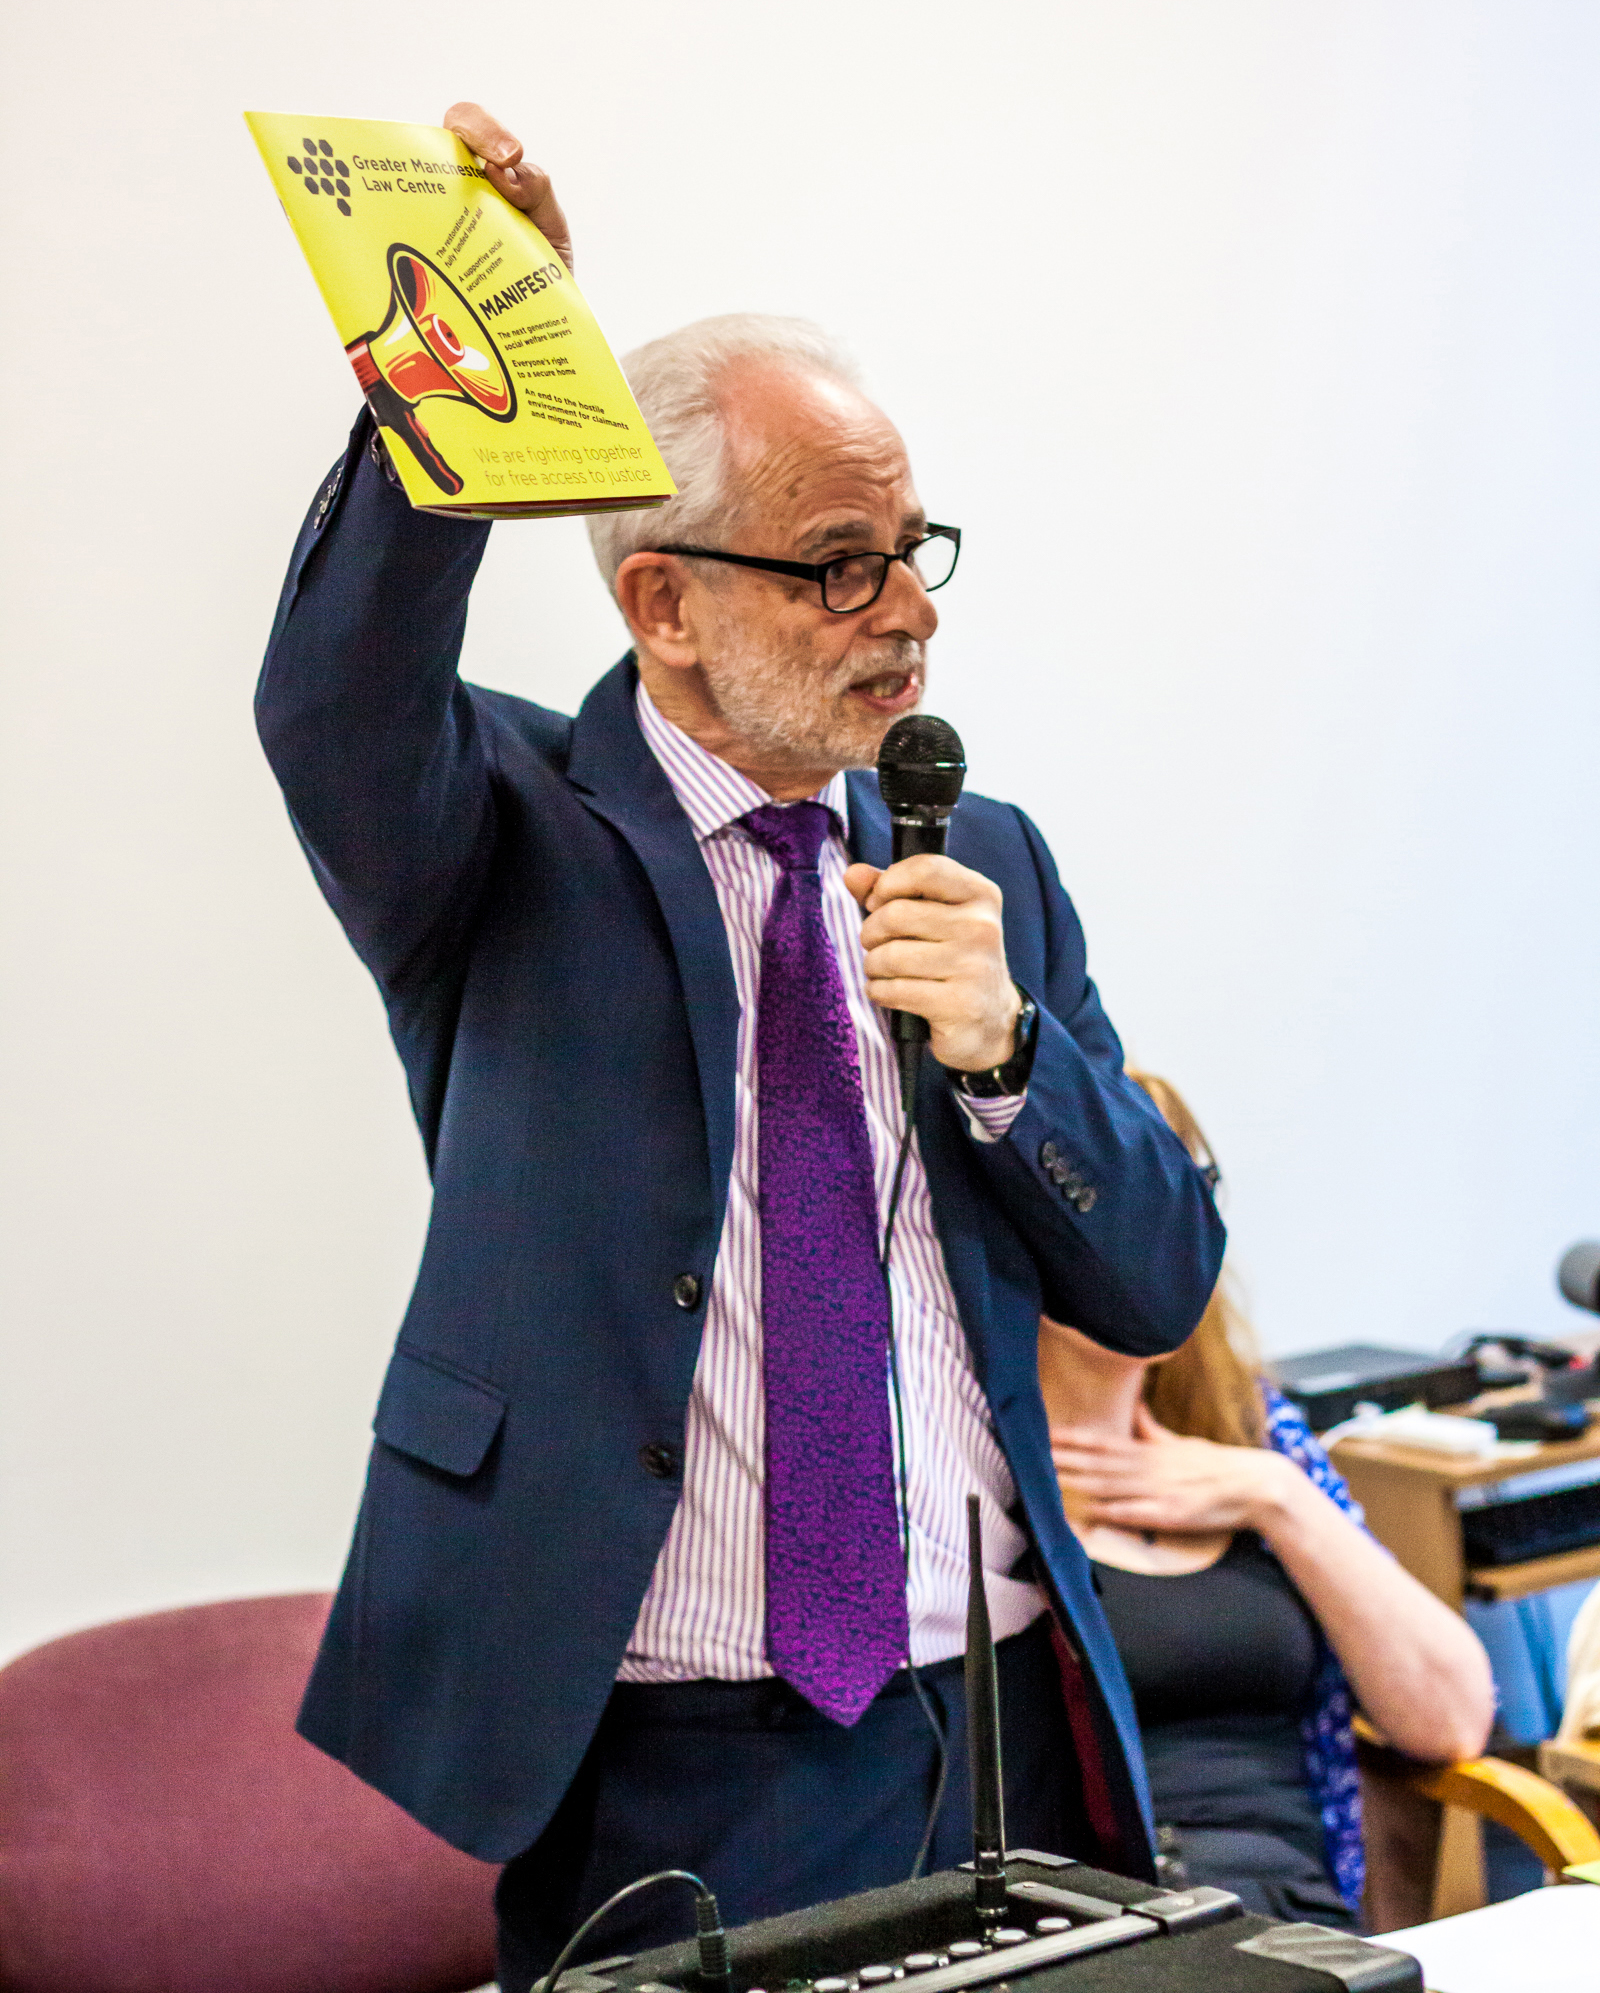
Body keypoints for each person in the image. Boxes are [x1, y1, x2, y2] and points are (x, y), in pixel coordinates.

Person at [256, 101, 1225, 1992]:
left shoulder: (982, 856)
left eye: (914, 549)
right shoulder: (503, 830)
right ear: (663, 602)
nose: (910, 612)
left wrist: (1011, 1054)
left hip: (1014, 1716)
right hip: (680, 1756)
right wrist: (456, 351)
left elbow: (1164, 1276)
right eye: (838, 565)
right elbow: (334, 695)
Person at [1043, 1072, 1494, 1928]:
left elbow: (1453, 1717)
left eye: (1188, 1197)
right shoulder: (975, 1471)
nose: (1157, 1245)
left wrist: (1274, 1496)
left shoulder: (1260, 1437)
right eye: (1113, 1206)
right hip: (1099, 1929)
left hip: (1294, 1917)